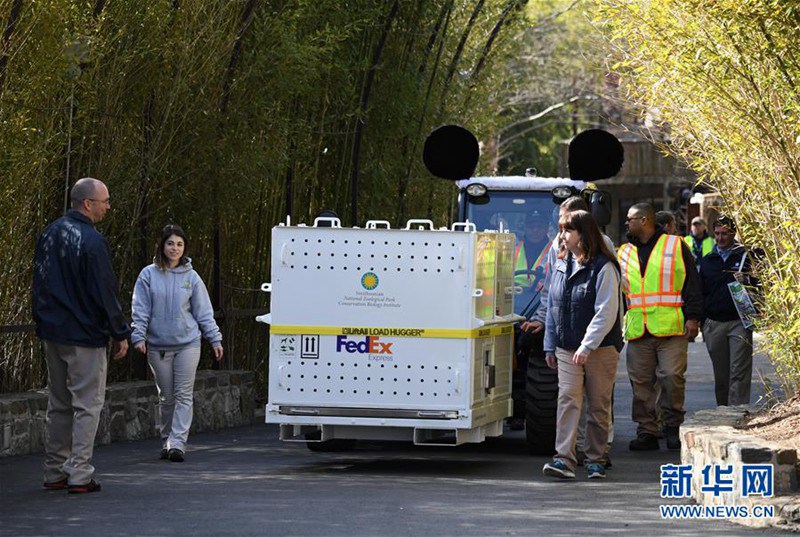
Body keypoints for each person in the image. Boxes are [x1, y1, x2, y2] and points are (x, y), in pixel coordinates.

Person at [33, 177, 131, 494]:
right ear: (87, 203)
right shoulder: (92, 241)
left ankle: (54, 471)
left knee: (58, 403)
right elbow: (104, 292)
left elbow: (39, 284)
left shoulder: (49, 234)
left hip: (53, 332)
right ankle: (80, 473)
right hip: (84, 335)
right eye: (105, 200)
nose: (108, 206)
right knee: (87, 405)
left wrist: (42, 321)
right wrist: (119, 332)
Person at [541, 210, 623, 480]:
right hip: (566, 347)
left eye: (567, 230)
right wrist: (550, 345)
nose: (562, 236)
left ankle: (596, 458)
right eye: (561, 230)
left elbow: (606, 311)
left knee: (598, 403)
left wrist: (587, 346)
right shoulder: (562, 264)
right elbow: (554, 306)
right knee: (568, 400)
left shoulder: (604, 267)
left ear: (583, 234)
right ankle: (564, 458)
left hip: (600, 349)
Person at [131, 224, 223, 462]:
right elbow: (140, 309)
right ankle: (167, 440)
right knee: (167, 397)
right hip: (158, 345)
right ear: (162, 245)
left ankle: (177, 444)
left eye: (179, 244)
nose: (175, 248)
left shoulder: (191, 277)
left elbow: (204, 312)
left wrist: (214, 338)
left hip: (187, 343)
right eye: (170, 243)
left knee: (183, 395)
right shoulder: (148, 275)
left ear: (185, 248)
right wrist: (138, 336)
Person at [619, 203, 702, 451]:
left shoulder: (675, 245)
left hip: (670, 328)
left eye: (629, 219)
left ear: (644, 220)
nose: (626, 224)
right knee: (641, 383)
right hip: (638, 329)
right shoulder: (622, 252)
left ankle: (673, 427)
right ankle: (647, 431)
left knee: (671, 378)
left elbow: (692, 283)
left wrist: (694, 318)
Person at [700, 216, 758, 406]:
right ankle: (724, 412)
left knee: (738, 372)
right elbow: (700, 291)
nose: (721, 238)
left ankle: (738, 412)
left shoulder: (746, 257)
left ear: (733, 233)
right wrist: (703, 321)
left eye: (725, 233)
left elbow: (764, 284)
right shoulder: (708, 260)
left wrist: (748, 280)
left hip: (739, 321)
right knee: (721, 374)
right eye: (717, 233)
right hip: (714, 323)